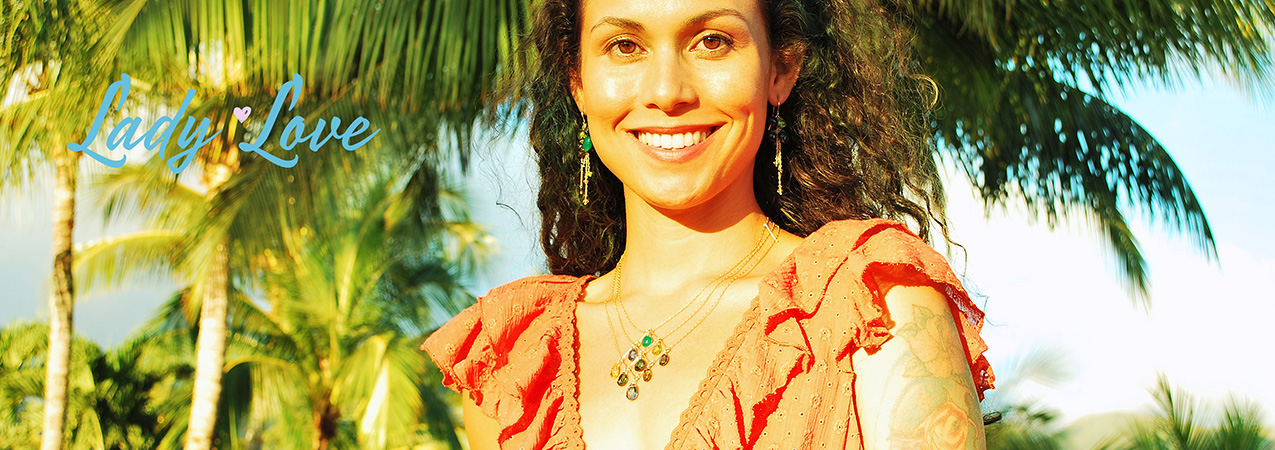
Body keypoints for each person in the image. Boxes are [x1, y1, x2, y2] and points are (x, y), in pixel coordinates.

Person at [422, 0, 995, 448]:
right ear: (578, 83)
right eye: (624, 46)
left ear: (781, 69)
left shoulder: (870, 306)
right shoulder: (515, 360)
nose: (667, 92)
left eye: (712, 41)